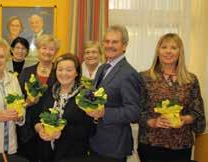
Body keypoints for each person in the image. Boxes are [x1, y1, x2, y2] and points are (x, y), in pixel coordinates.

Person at [137, 33, 206, 162]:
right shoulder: (144, 77)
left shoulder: (191, 80)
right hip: (150, 145)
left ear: (180, 52)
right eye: (164, 47)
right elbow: (136, 110)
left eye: (174, 48)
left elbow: (198, 113)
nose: (168, 51)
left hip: (181, 146)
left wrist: (184, 119)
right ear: (158, 51)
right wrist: (153, 122)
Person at [86, 25, 143, 162]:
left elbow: (134, 112)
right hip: (96, 141)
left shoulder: (128, 73)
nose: (109, 45)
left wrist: (104, 113)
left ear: (124, 46)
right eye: (107, 41)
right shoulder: (103, 67)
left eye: (115, 42)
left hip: (114, 146)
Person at [34, 53, 96, 162]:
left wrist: (62, 131)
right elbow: (35, 117)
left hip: (73, 155)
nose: (64, 73)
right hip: (45, 153)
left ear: (77, 73)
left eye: (69, 70)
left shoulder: (86, 95)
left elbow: (90, 129)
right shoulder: (48, 92)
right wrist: (40, 129)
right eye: (60, 69)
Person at [17, 34, 59, 162]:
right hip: (28, 129)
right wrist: (27, 103)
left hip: (51, 127)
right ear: (38, 50)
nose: (47, 52)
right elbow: (17, 102)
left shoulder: (60, 72)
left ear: (56, 52)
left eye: (51, 49)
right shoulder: (26, 72)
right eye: (44, 48)